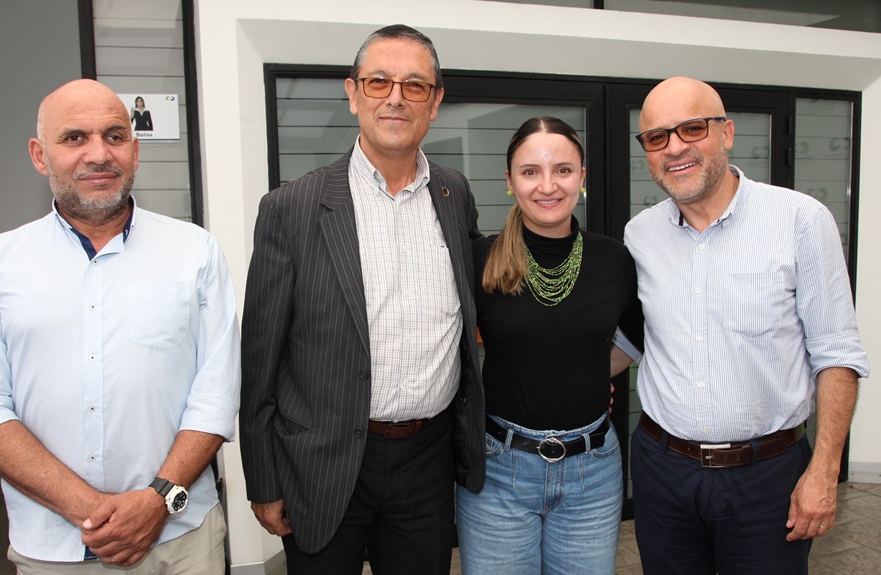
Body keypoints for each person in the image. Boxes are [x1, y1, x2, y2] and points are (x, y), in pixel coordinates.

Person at [0, 79, 241, 573]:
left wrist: (156, 501)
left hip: (180, 540)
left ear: (134, 151)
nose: (99, 154)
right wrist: (90, 510)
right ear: (40, 155)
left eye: (114, 136)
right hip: (53, 546)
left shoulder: (194, 251)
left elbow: (217, 391)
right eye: (74, 138)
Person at [240, 24, 485, 575]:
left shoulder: (455, 194)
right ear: (353, 94)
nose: (396, 97)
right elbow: (260, 360)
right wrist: (264, 479)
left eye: (415, 85)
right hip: (321, 464)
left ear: (435, 102)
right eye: (379, 82)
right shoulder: (291, 208)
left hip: (427, 461)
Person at [624, 76, 870, 574]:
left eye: (692, 128)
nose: (675, 147)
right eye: (657, 137)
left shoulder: (800, 220)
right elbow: (634, 336)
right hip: (663, 471)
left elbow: (837, 353)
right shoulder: (640, 234)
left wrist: (824, 471)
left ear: (727, 133)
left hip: (767, 477)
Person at [455, 117, 643, 575]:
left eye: (562, 170)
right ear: (509, 181)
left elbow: (637, 338)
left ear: (581, 177)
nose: (547, 186)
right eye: (530, 172)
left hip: (592, 472)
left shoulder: (614, 259)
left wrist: (589, 375)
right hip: (498, 470)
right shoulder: (479, 259)